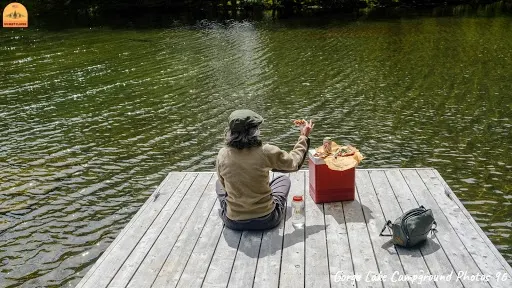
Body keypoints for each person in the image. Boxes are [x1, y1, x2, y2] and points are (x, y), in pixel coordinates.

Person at [215, 109, 314, 231]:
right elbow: (294, 163)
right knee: (283, 180)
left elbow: (224, 185)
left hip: (234, 222)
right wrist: (303, 136)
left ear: (230, 132)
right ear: (254, 131)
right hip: (266, 220)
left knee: (218, 183)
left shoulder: (222, 154)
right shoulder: (265, 151)